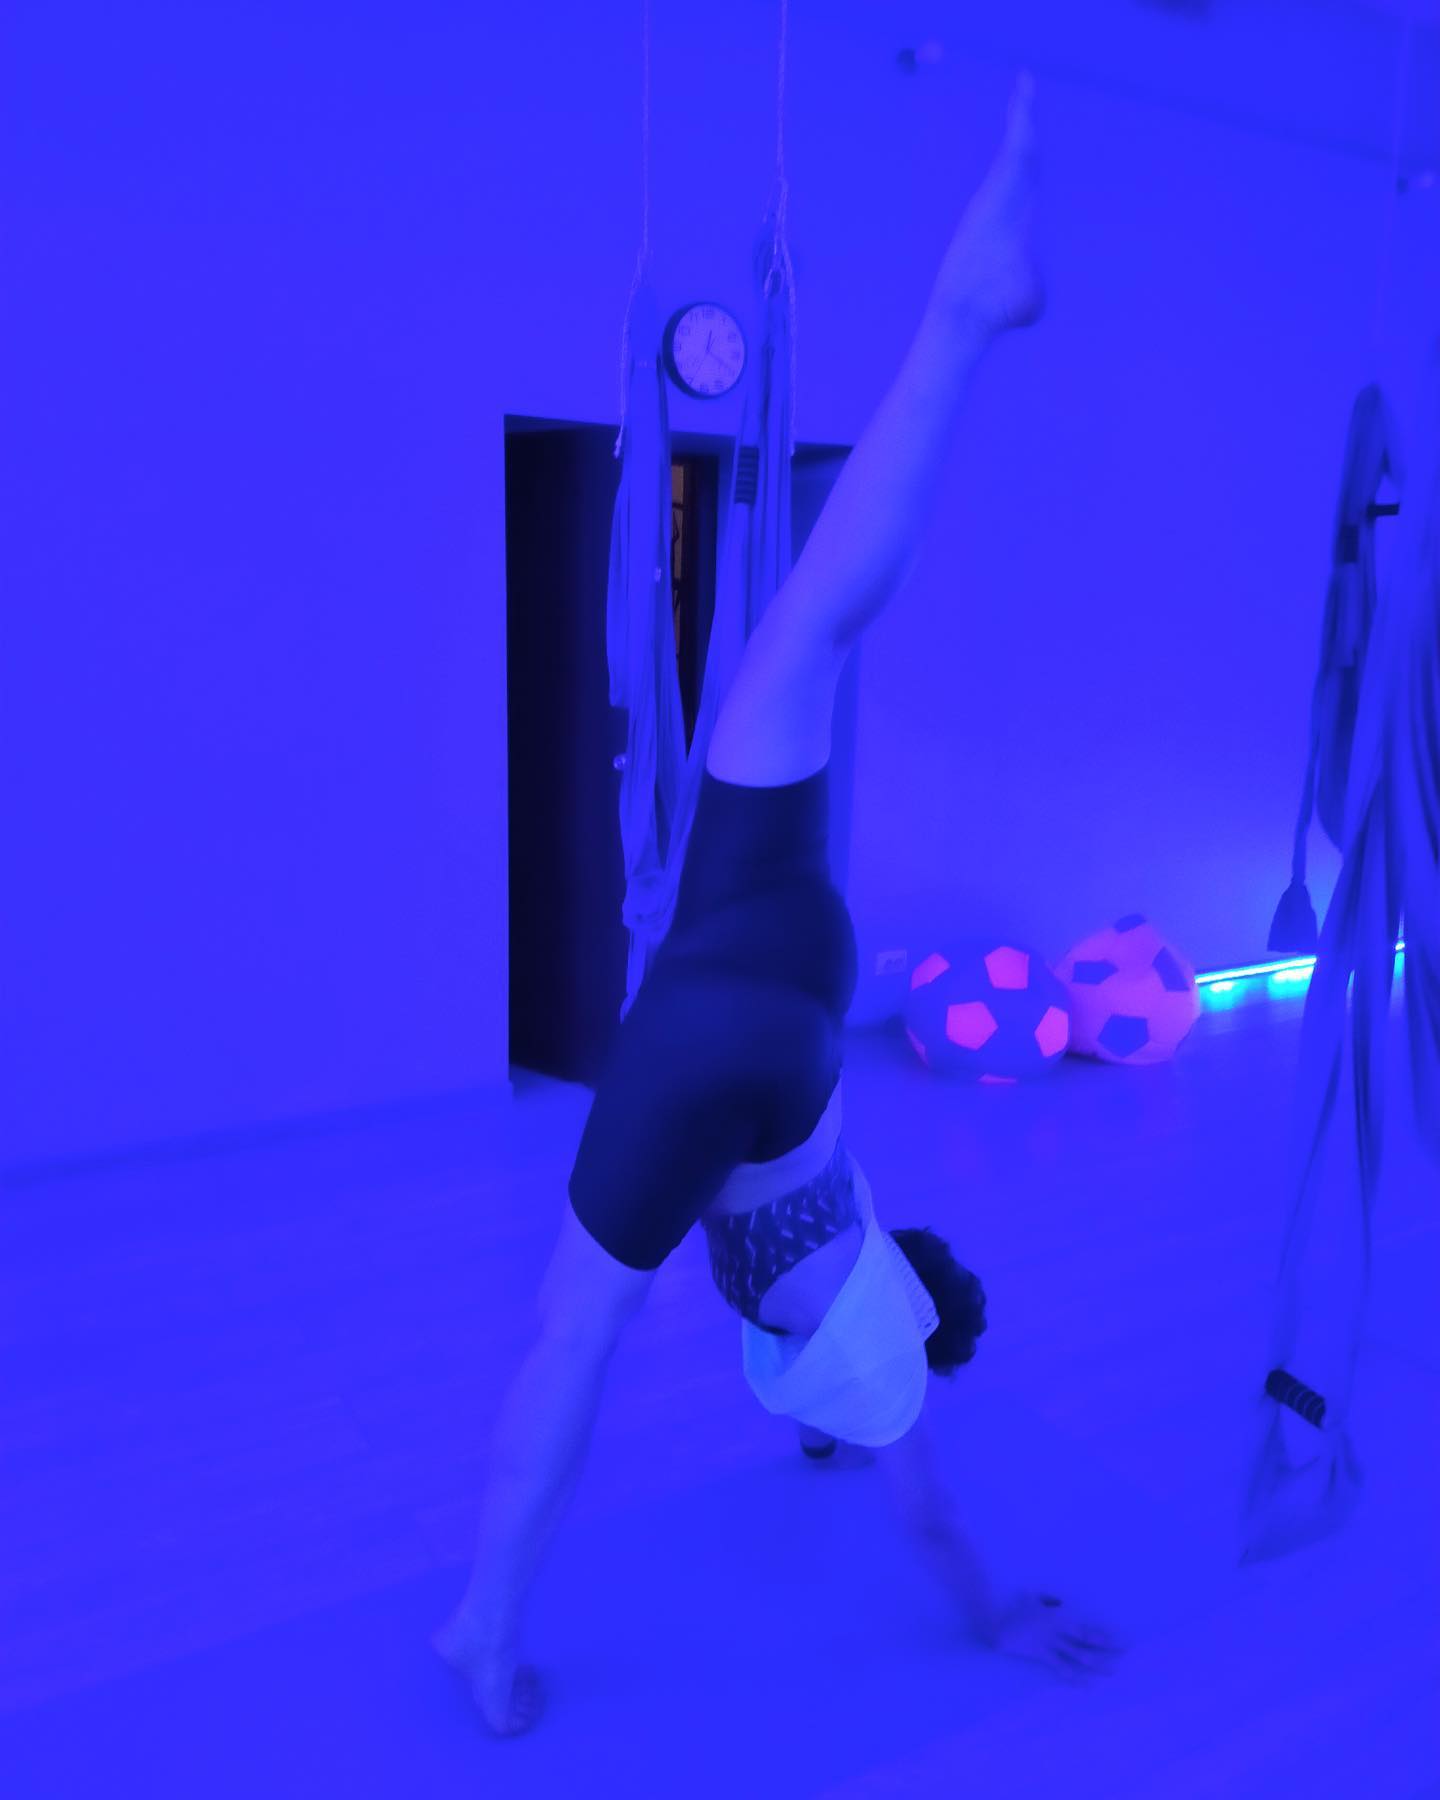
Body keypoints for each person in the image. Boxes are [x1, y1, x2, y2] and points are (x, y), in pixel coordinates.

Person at [438, 75, 1122, 1736]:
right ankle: (481, 1631)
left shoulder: (870, 1251)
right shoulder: (857, 1341)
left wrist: (982, 1580)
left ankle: (959, 321)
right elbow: (925, 1507)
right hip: (724, 1039)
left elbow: (883, 1426)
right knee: (573, 1335)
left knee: (809, 627)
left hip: (797, 974)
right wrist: (993, 1613)